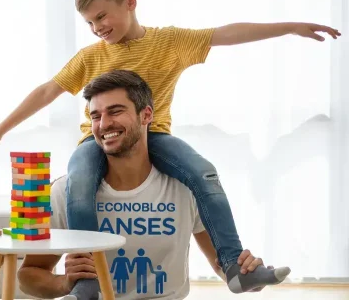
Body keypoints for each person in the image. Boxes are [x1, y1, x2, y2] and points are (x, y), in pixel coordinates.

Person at [0, 0, 340, 296]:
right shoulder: (90, 57)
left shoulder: (169, 43)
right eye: (89, 22)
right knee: (79, 181)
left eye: (101, 16)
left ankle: (233, 265)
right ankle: (88, 283)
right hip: (94, 141)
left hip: (156, 136)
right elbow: (46, 92)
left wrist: (290, 27)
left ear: (130, 2)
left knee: (203, 172)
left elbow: (225, 34)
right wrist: (1, 129)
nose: (97, 27)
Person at [16, 70, 288, 300]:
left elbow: (220, 266)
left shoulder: (185, 188)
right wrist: (65, 283)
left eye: (115, 111)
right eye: (96, 116)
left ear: (146, 115)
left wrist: (249, 274)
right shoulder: (65, 192)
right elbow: (28, 276)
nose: (104, 124)